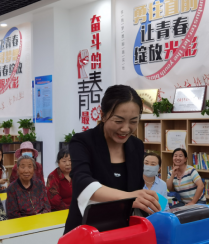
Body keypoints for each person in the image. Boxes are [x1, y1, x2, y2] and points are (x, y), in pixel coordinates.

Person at [65, 85, 160, 234]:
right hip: (85, 232)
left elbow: (136, 187)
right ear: (103, 115)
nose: (125, 129)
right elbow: (82, 182)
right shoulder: (83, 141)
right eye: (118, 121)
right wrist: (129, 197)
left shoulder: (136, 145)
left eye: (133, 121)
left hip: (122, 232)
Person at [6, 155, 53, 244]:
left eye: (30, 166)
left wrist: (41, 218)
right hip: (22, 229)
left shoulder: (39, 184)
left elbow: (47, 206)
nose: (26, 170)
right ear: (17, 169)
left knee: (53, 243)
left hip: (41, 226)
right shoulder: (12, 188)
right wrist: (31, 222)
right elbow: (12, 214)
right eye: (23, 166)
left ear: (34, 169)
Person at [46, 147, 72, 211]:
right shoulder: (53, 176)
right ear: (58, 163)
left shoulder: (77, 174)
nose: (68, 164)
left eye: (70, 160)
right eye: (64, 161)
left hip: (77, 209)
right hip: (58, 211)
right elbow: (55, 201)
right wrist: (71, 209)